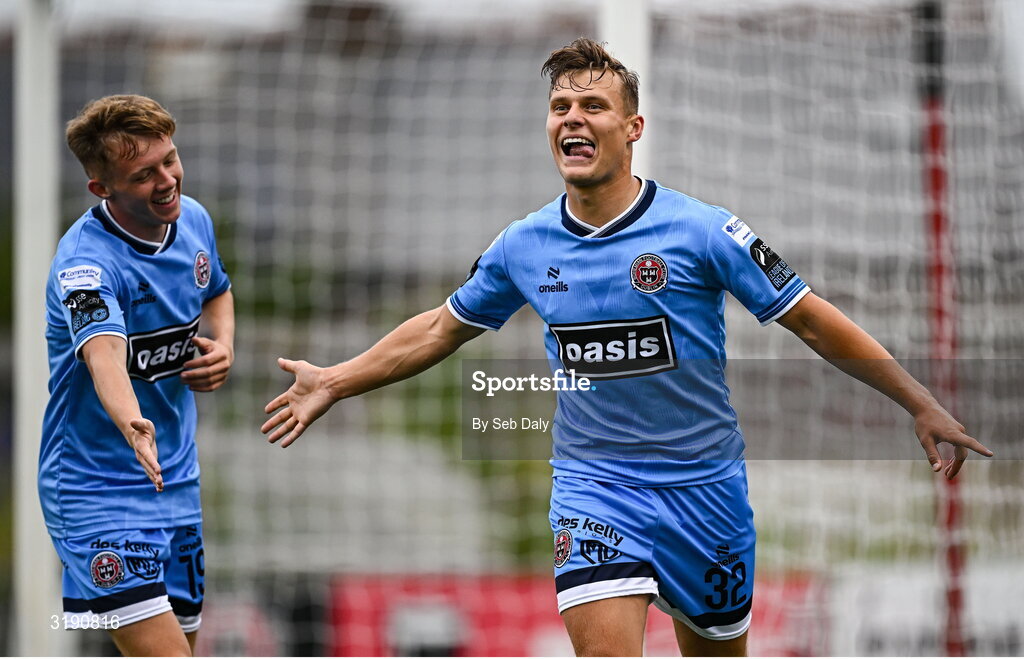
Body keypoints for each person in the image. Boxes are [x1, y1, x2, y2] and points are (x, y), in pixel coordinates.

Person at [261, 38, 992, 656]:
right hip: (595, 488)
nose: (571, 119)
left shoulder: (703, 231)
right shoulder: (524, 244)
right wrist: (337, 378)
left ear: (633, 126)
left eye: (592, 106)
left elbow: (811, 318)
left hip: (706, 492)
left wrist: (918, 401)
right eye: (559, 108)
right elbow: (439, 326)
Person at [40, 94, 233, 657]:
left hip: (176, 483)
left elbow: (218, 290)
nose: (168, 179)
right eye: (144, 174)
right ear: (103, 189)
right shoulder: (85, 267)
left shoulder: (193, 220)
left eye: (170, 159)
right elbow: (104, 354)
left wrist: (224, 346)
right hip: (95, 488)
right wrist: (132, 423)